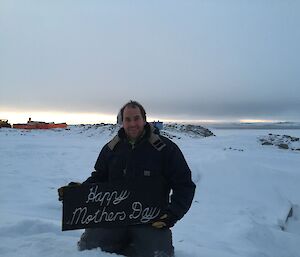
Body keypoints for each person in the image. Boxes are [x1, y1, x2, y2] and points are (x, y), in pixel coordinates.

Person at [59, 100, 196, 257]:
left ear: (144, 120)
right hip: (113, 217)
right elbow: (99, 177)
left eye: (136, 118)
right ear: (122, 122)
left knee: (158, 253)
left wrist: (172, 214)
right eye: (127, 119)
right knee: (89, 248)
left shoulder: (165, 149)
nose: (132, 124)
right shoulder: (111, 149)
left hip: (150, 220)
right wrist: (79, 193)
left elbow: (184, 185)